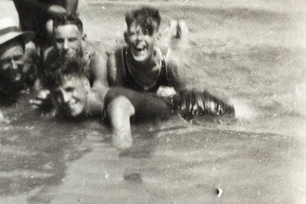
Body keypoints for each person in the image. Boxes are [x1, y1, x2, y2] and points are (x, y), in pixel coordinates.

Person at [45, 57, 234, 148]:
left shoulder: (116, 105)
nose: (65, 100)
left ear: (86, 85)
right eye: (57, 95)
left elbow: (124, 144)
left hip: (199, 107)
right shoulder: (94, 98)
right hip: (181, 104)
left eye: (70, 90)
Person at [108, 7, 187, 96]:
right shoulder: (117, 61)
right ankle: (171, 27)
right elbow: (117, 98)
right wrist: (156, 99)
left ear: (157, 37)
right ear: (126, 37)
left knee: (180, 46)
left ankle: (179, 29)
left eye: (146, 33)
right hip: (152, 45)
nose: (139, 38)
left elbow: (185, 99)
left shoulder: (173, 63)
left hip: (161, 50)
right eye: (133, 33)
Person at [37, 14, 108, 109]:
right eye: (59, 40)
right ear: (53, 41)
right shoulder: (49, 56)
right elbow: (43, 86)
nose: (65, 47)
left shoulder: (96, 59)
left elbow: (100, 95)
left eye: (72, 40)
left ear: (83, 38)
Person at [0, 17, 40, 104]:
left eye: (17, 58)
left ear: (24, 50)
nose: (14, 67)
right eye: (5, 61)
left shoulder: (31, 57)